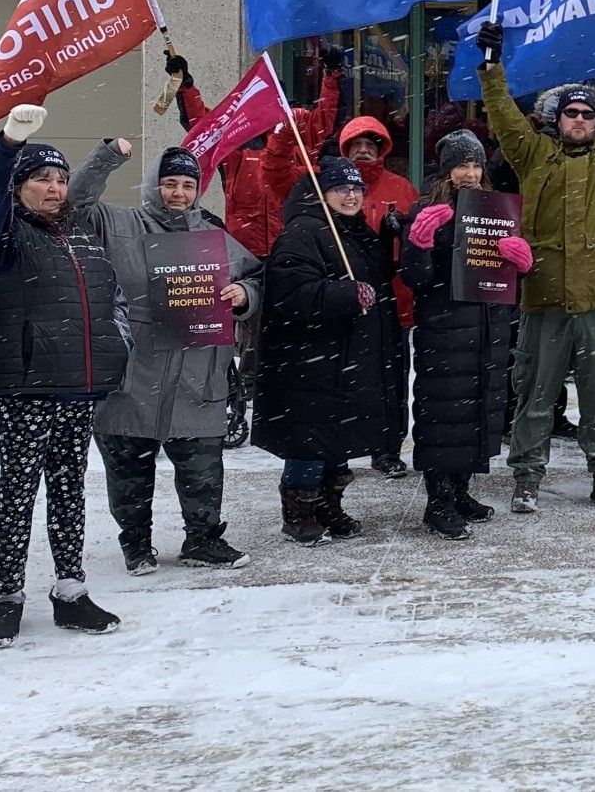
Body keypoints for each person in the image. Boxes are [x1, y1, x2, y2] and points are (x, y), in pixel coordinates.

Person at [475, 23, 595, 515]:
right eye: (570, 113)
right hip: (544, 296)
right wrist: (492, 68)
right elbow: (502, 116)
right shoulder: (533, 154)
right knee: (535, 392)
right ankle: (527, 479)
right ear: (557, 120)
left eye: (586, 113)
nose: (578, 119)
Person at [0, 105, 130, 646]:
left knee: (68, 487)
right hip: (25, 385)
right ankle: (8, 597)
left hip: (78, 386)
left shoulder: (79, 236)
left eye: (60, 179)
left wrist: (119, 341)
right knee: (18, 489)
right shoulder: (3, 236)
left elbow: (111, 301)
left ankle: (70, 591)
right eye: (42, 178)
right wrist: (10, 141)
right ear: (20, 187)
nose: (54, 187)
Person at [70, 142, 263, 574]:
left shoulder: (213, 238)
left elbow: (255, 277)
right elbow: (76, 201)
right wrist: (106, 156)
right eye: (169, 183)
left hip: (198, 373)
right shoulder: (117, 224)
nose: (178, 193)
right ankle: (135, 543)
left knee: (202, 468)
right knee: (128, 468)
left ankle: (203, 539)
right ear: (153, 185)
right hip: (135, 373)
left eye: (188, 185)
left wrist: (243, 295)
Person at [257, 158, 399, 544]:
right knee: (310, 442)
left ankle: (328, 505)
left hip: (348, 359)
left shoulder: (356, 232)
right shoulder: (304, 232)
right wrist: (342, 294)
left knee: (336, 438)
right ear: (323, 194)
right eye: (341, 188)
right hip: (312, 361)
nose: (351, 195)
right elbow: (289, 292)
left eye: (356, 189)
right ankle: (298, 511)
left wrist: (388, 241)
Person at [400, 130, 529, 538]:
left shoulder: (494, 210)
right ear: (446, 170)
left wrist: (522, 264)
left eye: (475, 164)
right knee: (444, 416)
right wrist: (418, 243)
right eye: (462, 165)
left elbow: (505, 283)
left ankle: (460, 491)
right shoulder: (427, 208)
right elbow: (415, 279)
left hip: (487, 330)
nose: (470, 173)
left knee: (476, 414)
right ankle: (437, 501)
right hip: (445, 329)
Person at [173, 45, 343, 257]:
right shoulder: (235, 144)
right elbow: (204, 126)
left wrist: (331, 75)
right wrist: (186, 87)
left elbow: (324, 120)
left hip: (292, 248)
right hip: (244, 252)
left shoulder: (297, 136)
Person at [331, 113, 420, 478]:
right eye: (357, 146)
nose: (365, 151)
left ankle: (388, 448)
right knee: (346, 378)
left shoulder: (401, 188)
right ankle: (344, 444)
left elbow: (418, 242)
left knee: (392, 381)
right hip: (348, 303)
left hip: (393, 303)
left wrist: (402, 233)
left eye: (371, 145)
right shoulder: (334, 190)